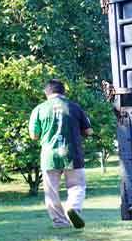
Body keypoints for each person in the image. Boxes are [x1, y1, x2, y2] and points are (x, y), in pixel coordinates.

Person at [28, 79, 92, 229]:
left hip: (49, 156)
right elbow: (89, 131)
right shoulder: (75, 107)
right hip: (72, 154)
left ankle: (60, 222)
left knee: (51, 191)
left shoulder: (39, 109)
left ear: (46, 92)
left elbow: (34, 135)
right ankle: (73, 208)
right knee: (77, 185)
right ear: (64, 92)